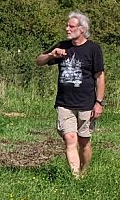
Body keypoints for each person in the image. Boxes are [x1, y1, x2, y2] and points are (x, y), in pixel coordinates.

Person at [35, 12, 106, 178]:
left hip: (86, 104)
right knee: (70, 139)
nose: (67, 29)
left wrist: (99, 102)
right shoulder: (62, 46)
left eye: (71, 26)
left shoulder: (93, 49)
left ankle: (84, 172)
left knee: (84, 142)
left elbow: (100, 76)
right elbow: (39, 61)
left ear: (82, 29)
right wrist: (52, 55)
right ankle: (76, 178)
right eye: (67, 26)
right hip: (64, 104)